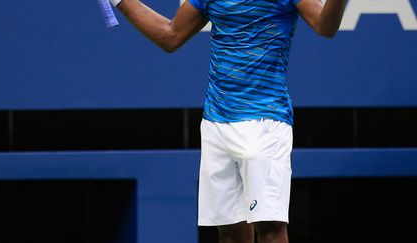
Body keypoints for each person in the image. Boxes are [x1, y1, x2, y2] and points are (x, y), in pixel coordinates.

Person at [109, 0, 346, 242]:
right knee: (230, 232)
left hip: (264, 123)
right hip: (215, 122)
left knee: (270, 229)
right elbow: (170, 35)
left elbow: (324, 25)